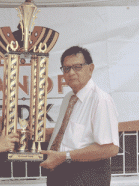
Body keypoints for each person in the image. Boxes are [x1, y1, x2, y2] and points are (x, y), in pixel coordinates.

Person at [40, 46, 119, 186]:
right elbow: (68, 136)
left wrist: (65, 157)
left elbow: (110, 148)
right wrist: (39, 133)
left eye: (77, 67)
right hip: (59, 174)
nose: (71, 73)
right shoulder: (69, 98)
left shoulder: (100, 100)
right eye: (66, 69)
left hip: (86, 176)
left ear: (90, 68)